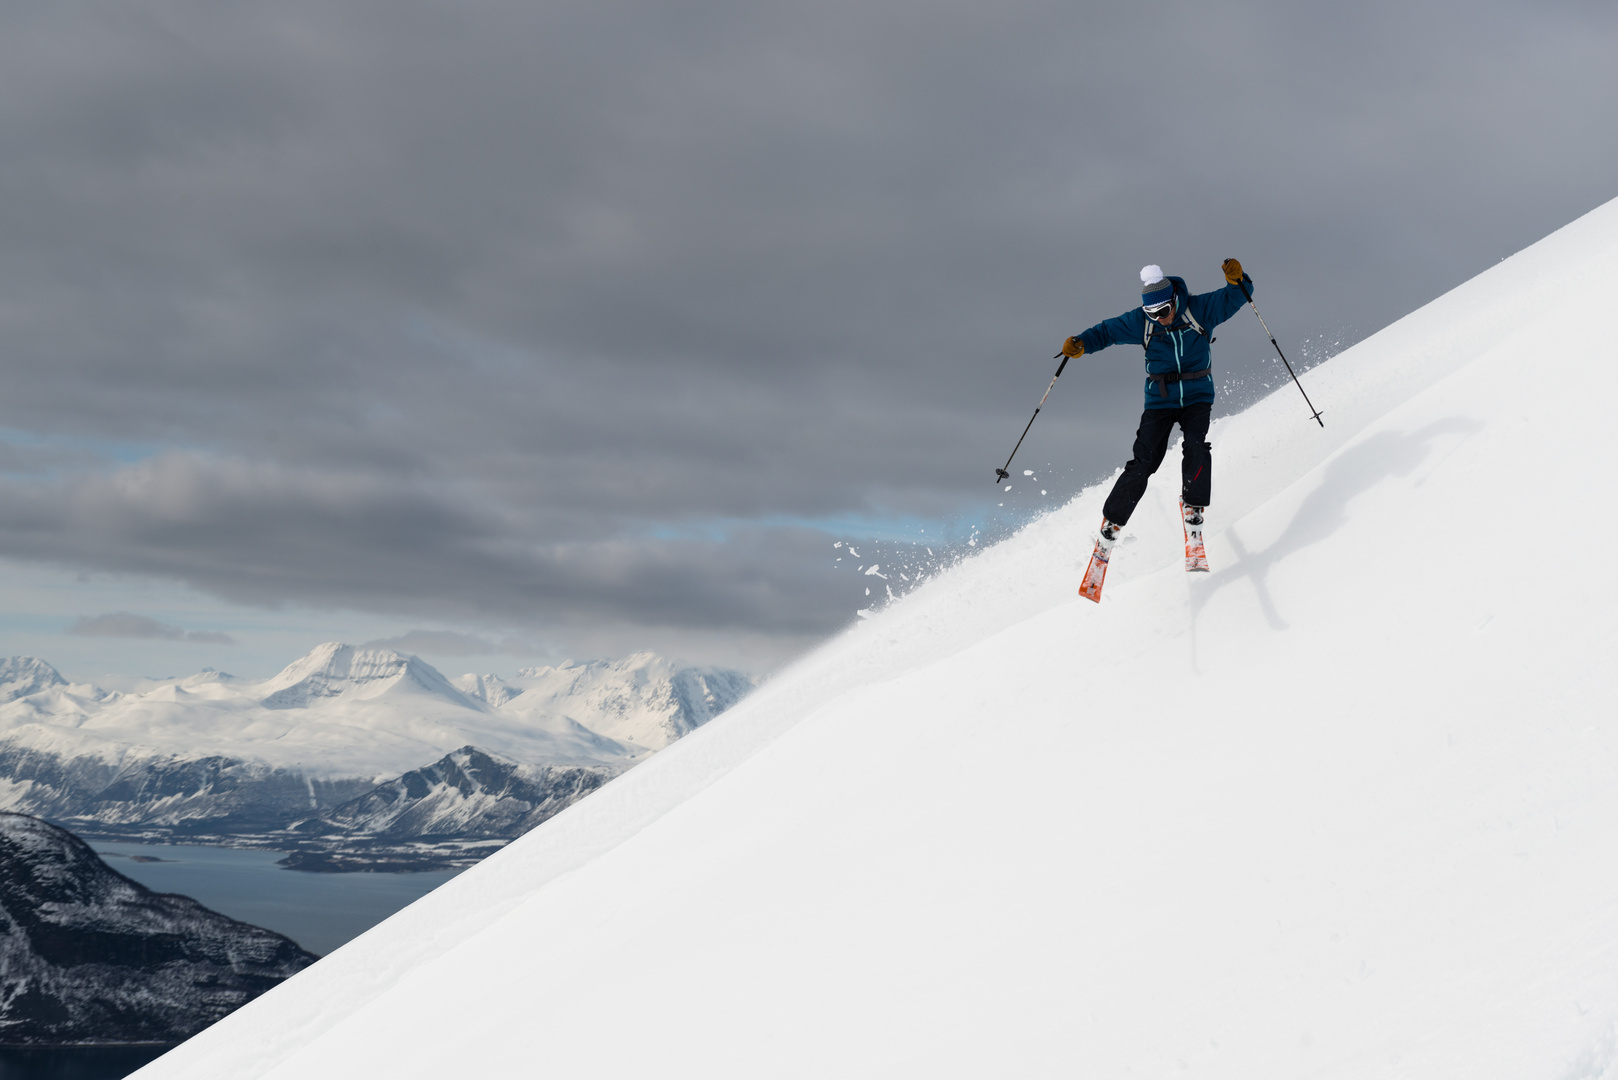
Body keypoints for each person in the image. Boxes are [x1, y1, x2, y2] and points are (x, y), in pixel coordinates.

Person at [1060, 259, 1252, 566]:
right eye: (1153, 314)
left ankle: (1193, 510)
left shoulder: (1199, 309)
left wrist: (1237, 279)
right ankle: (1112, 524)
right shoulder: (1143, 322)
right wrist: (1082, 343)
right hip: (1160, 401)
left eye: (1164, 311)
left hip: (1197, 396)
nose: (1160, 319)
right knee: (1144, 463)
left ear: (1174, 300)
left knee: (1196, 447)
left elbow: (1237, 296)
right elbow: (1107, 331)